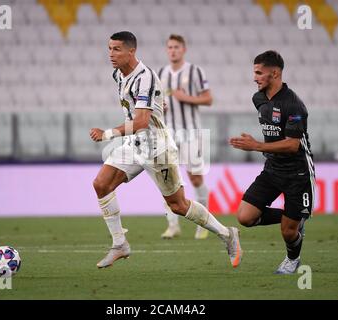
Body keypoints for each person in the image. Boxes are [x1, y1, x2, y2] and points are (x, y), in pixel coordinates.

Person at [90, 31, 242, 269]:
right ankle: (120, 244)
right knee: (101, 184)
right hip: (135, 144)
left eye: (116, 49)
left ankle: (227, 234)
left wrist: (107, 134)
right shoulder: (117, 74)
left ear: (131, 51)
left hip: (157, 148)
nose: (111, 54)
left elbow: (141, 122)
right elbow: (142, 110)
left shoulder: (145, 77)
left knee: (178, 205)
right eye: (109, 48)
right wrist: (157, 104)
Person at [230, 50, 315, 274]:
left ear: (275, 73)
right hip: (272, 170)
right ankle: (295, 220)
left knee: (288, 233)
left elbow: (292, 145)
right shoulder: (258, 99)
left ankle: (292, 259)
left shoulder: (294, 105)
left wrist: (256, 145)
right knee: (245, 217)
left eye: (259, 73)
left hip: (298, 173)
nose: (254, 77)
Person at [158, 34, 213, 240]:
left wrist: (185, 98)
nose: (173, 50)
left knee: (196, 178)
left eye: (176, 47)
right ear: (167, 50)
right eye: (170, 47)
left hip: (191, 133)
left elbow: (209, 99)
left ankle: (203, 224)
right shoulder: (161, 73)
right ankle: (172, 226)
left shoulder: (195, 71)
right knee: (166, 178)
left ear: (184, 49)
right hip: (168, 135)